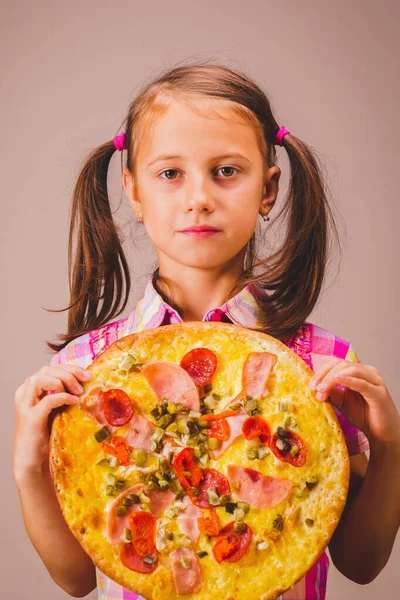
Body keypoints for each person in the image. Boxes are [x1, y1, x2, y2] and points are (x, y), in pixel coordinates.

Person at [13, 62, 400, 600]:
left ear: (269, 189)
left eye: (226, 171)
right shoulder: (87, 370)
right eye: (170, 173)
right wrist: (30, 464)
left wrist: (389, 448)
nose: (198, 197)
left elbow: (361, 564)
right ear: (133, 191)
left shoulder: (323, 365)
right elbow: (75, 578)